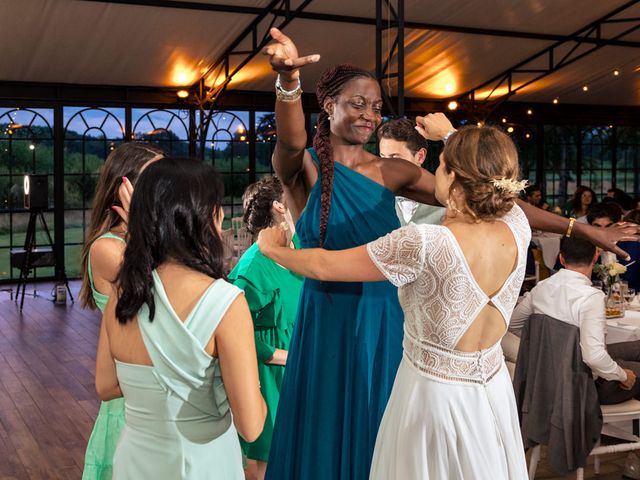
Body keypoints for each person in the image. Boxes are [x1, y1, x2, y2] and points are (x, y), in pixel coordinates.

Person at [260, 26, 640, 479]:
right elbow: (290, 140)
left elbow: (492, 192)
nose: (369, 115)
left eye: (376, 106)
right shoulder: (303, 168)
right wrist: (287, 83)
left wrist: (580, 229)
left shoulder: (394, 170)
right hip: (330, 315)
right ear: (328, 106)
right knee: (329, 426)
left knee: (389, 429)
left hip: (389, 318)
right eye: (357, 103)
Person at [258, 125, 531, 479]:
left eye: (442, 165)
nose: (434, 175)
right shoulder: (518, 225)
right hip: (493, 391)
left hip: (433, 398)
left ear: (453, 176)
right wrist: (451, 138)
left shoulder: (425, 242)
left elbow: (325, 264)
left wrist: (271, 249)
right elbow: (489, 173)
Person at [95, 157, 266, 479]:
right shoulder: (224, 302)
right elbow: (252, 425)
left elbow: (106, 385)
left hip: (135, 458)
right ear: (202, 217)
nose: (222, 217)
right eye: (217, 207)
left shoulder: (122, 295)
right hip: (201, 462)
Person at [80, 141, 164, 480]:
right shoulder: (106, 249)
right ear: (125, 187)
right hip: (132, 402)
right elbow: (158, 301)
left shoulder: (154, 240)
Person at [227, 176, 303, 480]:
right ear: (279, 208)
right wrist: (287, 356)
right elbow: (235, 335)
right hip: (268, 378)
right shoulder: (249, 270)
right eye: (294, 198)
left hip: (300, 371)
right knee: (264, 463)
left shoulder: (298, 247)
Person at [511, 236, 640, 405]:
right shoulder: (591, 297)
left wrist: (550, 347)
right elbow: (593, 357)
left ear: (561, 258)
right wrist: (623, 375)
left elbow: (513, 323)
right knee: (627, 368)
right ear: (595, 257)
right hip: (580, 384)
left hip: (555, 370)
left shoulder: (540, 288)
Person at [378, 118, 445, 225]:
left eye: (395, 158)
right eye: (382, 157)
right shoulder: (375, 202)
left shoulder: (447, 200)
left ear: (420, 156)